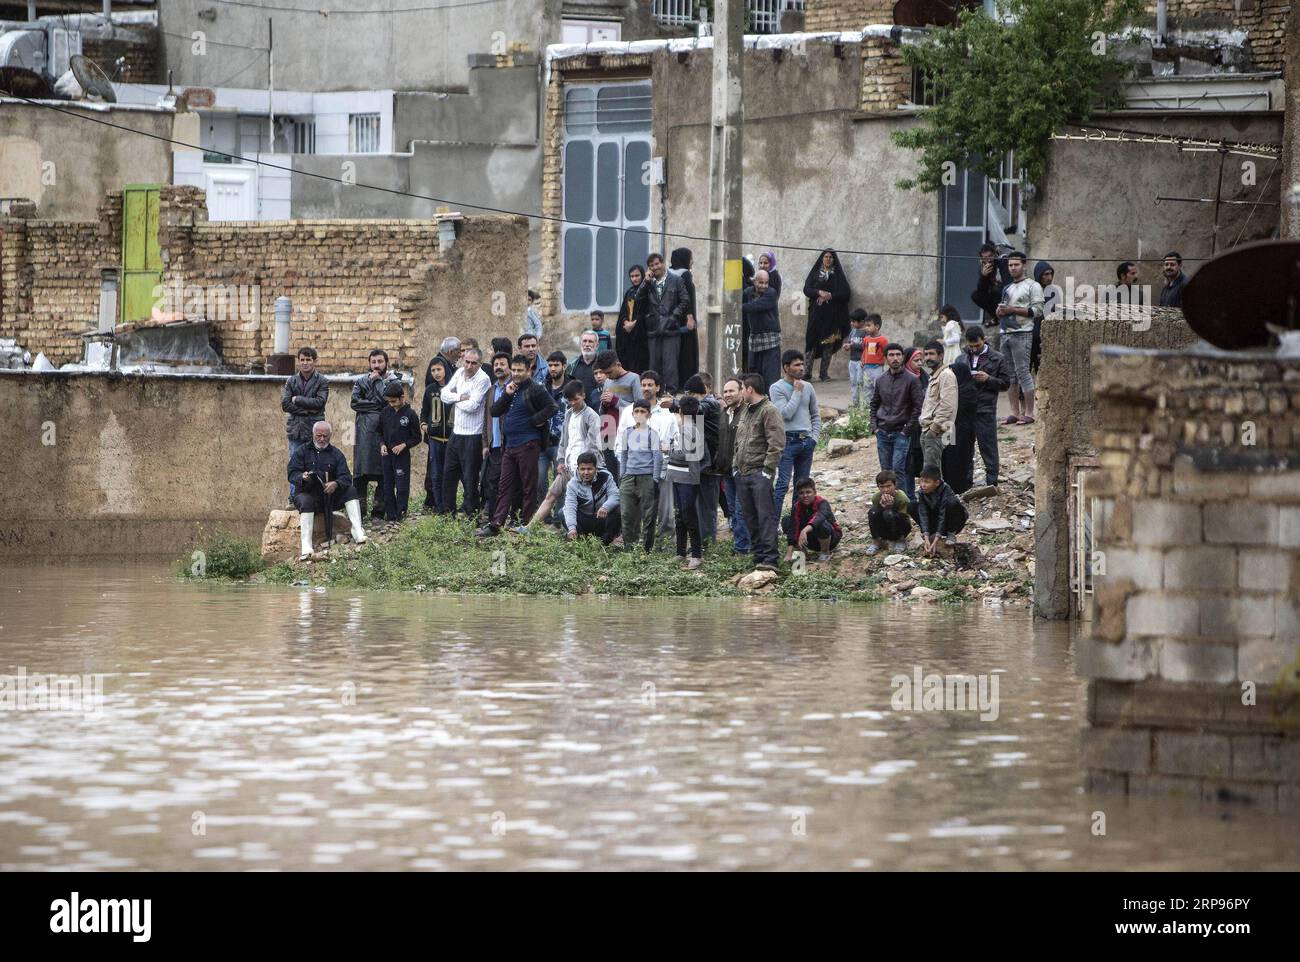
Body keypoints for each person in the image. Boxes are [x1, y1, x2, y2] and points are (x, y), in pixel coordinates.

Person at [479, 354, 560, 536]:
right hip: (510, 446)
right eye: (513, 370)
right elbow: (494, 411)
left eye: (519, 370)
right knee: (504, 485)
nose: (515, 373)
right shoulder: (512, 389)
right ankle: (496, 524)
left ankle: (526, 525)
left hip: (528, 445)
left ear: (528, 371)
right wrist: (507, 394)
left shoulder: (535, 389)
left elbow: (552, 407)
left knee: (528, 486)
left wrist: (535, 420)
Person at [289, 420, 367, 560]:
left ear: (330, 436)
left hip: (330, 497)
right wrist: (303, 476)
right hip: (308, 495)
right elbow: (292, 473)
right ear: (313, 434)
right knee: (305, 501)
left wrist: (336, 484)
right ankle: (306, 546)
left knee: (351, 491)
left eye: (325, 436)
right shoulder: (302, 451)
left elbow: (346, 477)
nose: (322, 439)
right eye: (319, 435)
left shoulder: (336, 454)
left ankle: (357, 531)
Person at [529, 379, 603, 528]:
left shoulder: (591, 416)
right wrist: (561, 460)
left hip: (583, 469)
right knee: (551, 495)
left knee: (578, 503)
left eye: (576, 399)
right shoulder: (569, 413)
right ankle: (529, 528)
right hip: (568, 465)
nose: (573, 403)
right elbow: (563, 440)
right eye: (570, 400)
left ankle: (574, 531)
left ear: (583, 395)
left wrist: (584, 469)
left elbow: (592, 446)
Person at [731, 373, 786, 572]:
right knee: (750, 518)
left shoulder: (769, 410)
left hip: (759, 474)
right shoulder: (745, 410)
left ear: (749, 389)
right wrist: (735, 468)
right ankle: (758, 557)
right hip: (743, 474)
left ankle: (771, 559)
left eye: (742, 388)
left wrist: (767, 471)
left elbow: (777, 443)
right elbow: (738, 442)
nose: (741, 392)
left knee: (765, 517)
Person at [616, 370, 676, 551]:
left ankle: (663, 546)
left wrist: (667, 453)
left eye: (650, 385)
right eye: (643, 384)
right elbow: (620, 443)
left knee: (664, 512)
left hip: (662, 469)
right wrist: (624, 472)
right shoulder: (627, 412)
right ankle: (633, 547)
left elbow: (675, 440)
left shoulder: (667, 414)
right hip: (633, 471)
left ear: (658, 387)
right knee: (631, 513)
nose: (646, 388)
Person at [439, 347, 491, 517]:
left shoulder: (483, 379)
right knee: (448, 475)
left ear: (480, 364)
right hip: (457, 433)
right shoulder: (460, 372)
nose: (469, 366)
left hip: (473, 435)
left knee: (469, 478)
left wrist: (455, 399)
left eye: (473, 363)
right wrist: (460, 397)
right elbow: (443, 394)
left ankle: (471, 513)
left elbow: (473, 406)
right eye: (467, 362)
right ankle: (448, 512)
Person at [351, 348, 402, 520]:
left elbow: (387, 401)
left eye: (380, 361)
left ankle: (379, 512)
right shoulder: (361, 381)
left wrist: (378, 382)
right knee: (360, 474)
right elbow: (355, 403)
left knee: (384, 473)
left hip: (386, 433)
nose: (376, 365)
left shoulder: (394, 382)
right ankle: (359, 512)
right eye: (373, 362)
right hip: (364, 434)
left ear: (386, 363)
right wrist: (377, 406)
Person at [869, 343, 924, 500]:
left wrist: (906, 430)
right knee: (885, 471)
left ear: (902, 357)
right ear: (885, 358)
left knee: (898, 469)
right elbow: (874, 404)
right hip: (883, 431)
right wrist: (875, 427)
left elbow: (917, 408)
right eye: (891, 355)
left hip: (901, 432)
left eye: (898, 355)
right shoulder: (880, 380)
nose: (895, 358)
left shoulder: (912, 380)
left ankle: (905, 504)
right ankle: (889, 502)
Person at [769, 350, 821, 512]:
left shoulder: (809, 387)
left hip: (807, 441)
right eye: (796, 365)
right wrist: (797, 392)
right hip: (787, 442)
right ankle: (773, 524)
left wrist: (814, 438)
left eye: (802, 364)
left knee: (802, 486)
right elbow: (785, 414)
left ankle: (795, 524)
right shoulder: (776, 388)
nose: (801, 368)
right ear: (786, 368)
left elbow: (815, 414)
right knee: (783, 484)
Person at [996, 251, 1043, 426]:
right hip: (1005, 333)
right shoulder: (1007, 287)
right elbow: (1001, 309)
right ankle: (1014, 412)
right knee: (1010, 375)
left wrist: (1012, 310)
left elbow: (1037, 310)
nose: (1012, 268)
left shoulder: (1033, 285)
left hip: (1023, 332)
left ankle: (1029, 413)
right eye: (1010, 265)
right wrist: (999, 311)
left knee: (1023, 372)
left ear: (1024, 264)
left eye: (1016, 264)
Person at [963, 325, 1009, 488]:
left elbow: (1005, 384)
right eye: (971, 346)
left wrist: (989, 379)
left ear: (984, 340)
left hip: (985, 409)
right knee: (964, 449)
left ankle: (992, 482)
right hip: (966, 409)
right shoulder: (962, 357)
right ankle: (965, 482)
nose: (974, 349)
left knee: (988, 447)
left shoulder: (998, 358)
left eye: (977, 345)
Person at [281, 346, 329, 504]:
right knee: (295, 465)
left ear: (314, 361)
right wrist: (307, 411)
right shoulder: (291, 381)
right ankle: (294, 499)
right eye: (302, 360)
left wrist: (299, 400)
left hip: (314, 431)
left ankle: (315, 498)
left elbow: (320, 403)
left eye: (308, 360)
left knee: (316, 464)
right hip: (295, 430)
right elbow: (285, 405)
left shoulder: (322, 381)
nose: (305, 363)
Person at [664, 394, 706, 568]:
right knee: (680, 515)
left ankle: (696, 554)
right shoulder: (687, 427)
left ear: (680, 410)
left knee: (688, 515)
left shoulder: (690, 429)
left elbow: (686, 454)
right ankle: (681, 552)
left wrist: (668, 449)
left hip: (687, 478)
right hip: (677, 475)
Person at [617, 398, 664, 550]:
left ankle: (646, 548)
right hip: (629, 477)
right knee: (627, 514)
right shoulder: (628, 432)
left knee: (649, 515)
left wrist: (655, 478)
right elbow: (623, 455)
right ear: (632, 414)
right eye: (636, 411)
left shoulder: (653, 433)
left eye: (643, 412)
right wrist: (623, 475)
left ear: (648, 415)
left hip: (647, 476)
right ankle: (629, 546)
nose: (639, 414)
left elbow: (657, 456)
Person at [682, 374, 721, 544]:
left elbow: (694, 409)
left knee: (708, 505)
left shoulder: (710, 403)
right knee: (696, 504)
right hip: (696, 461)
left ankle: (708, 542)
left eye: (691, 394)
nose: (689, 398)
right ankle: (700, 542)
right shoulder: (696, 404)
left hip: (710, 463)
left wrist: (676, 404)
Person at [803, 248, 852, 382]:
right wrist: (819, 292)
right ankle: (807, 373)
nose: (828, 259)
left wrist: (830, 295)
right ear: (822, 259)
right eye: (826, 257)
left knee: (828, 343)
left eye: (831, 257)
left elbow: (846, 293)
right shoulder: (815, 274)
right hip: (816, 314)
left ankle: (824, 373)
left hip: (832, 316)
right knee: (811, 341)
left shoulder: (838, 275)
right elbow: (807, 289)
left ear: (834, 259)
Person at [644, 252, 689, 393]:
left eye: (657, 264)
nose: (655, 267)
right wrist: (645, 282)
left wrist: (673, 317)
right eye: (651, 265)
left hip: (671, 329)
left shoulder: (676, 280)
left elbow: (685, 300)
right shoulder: (648, 283)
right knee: (654, 366)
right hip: (654, 330)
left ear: (662, 263)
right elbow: (638, 298)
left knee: (670, 366)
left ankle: (670, 396)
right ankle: (654, 395)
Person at [715, 376, 751, 555]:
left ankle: (743, 548)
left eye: (732, 391)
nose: (728, 394)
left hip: (743, 470)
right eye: (725, 391)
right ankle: (741, 544)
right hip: (726, 471)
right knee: (733, 510)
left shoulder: (748, 413)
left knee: (741, 509)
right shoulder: (723, 414)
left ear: (741, 392)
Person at [378, 380, 421, 522]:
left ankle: (401, 513)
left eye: (394, 401)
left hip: (401, 456)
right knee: (387, 485)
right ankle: (390, 515)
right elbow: (379, 433)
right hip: (387, 456)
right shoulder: (385, 412)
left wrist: (404, 445)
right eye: (389, 401)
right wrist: (382, 444)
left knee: (401, 485)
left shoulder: (410, 414)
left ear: (402, 398)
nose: (392, 404)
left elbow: (417, 438)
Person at [537, 351, 574, 520]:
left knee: (561, 482)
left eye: (556, 365)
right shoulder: (541, 386)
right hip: (542, 441)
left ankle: (560, 518)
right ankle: (543, 517)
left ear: (564, 366)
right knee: (540, 480)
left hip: (562, 442)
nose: (552, 369)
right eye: (550, 365)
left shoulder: (572, 387)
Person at [478, 351, 512, 523]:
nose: (499, 367)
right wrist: (485, 443)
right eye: (496, 365)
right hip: (494, 446)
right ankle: (493, 521)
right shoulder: (491, 390)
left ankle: (514, 520)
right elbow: (486, 419)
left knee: (511, 485)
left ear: (510, 366)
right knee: (491, 484)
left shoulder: (515, 387)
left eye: (502, 364)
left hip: (511, 445)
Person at [420, 357, 455, 513]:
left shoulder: (455, 388)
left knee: (451, 475)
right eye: (433, 370)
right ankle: (439, 507)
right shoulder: (430, 390)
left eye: (439, 369)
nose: (436, 373)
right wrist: (424, 426)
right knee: (436, 475)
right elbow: (424, 412)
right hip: (434, 440)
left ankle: (450, 507)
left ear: (445, 370)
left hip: (452, 440)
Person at [564, 451, 620, 545]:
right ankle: (581, 541)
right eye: (582, 469)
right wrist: (572, 528)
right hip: (584, 519)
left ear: (596, 468)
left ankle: (607, 541)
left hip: (602, 517)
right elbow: (570, 507)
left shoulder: (606, 476)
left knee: (619, 508)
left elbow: (615, 495)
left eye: (589, 469)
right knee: (563, 512)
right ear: (578, 469)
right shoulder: (572, 484)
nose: (586, 472)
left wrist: (605, 507)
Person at [918, 340, 958, 472]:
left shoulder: (946, 375)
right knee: (930, 470)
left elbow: (947, 405)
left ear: (941, 356)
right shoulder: (936, 375)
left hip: (937, 430)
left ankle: (938, 493)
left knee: (932, 472)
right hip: (928, 428)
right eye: (926, 354)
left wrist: (934, 428)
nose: (928, 357)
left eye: (931, 354)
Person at [782, 477, 841, 562]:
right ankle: (803, 553)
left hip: (831, 538)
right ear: (798, 495)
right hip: (811, 541)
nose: (805, 496)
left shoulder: (822, 503)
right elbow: (792, 528)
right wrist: (789, 554)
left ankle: (825, 552)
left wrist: (805, 530)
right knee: (787, 521)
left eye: (808, 492)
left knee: (821, 523)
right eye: (801, 493)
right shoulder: (797, 506)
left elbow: (820, 517)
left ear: (814, 492)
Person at [942, 359, 978, 495]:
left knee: (961, 458)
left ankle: (960, 487)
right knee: (947, 457)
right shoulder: (952, 389)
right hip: (949, 429)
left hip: (962, 431)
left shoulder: (968, 390)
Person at [742, 269, 782, 392]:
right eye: (761, 283)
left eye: (766, 283)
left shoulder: (771, 293)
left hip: (770, 338)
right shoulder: (748, 292)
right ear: (754, 282)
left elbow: (755, 306)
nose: (763, 286)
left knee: (770, 376)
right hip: (754, 338)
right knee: (754, 375)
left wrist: (740, 307)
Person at [915, 464, 969, 555]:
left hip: (950, 521)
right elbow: (923, 513)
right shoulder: (922, 492)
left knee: (952, 503)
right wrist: (926, 535)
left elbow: (942, 513)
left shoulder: (945, 490)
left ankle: (951, 533)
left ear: (937, 483)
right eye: (921, 481)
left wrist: (936, 539)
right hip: (935, 521)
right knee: (913, 506)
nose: (923, 485)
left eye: (927, 482)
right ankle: (931, 532)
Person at [671, 247, 700, 388]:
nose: (692, 261)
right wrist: (690, 317)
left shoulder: (668, 275)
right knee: (687, 355)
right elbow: (686, 297)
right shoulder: (685, 275)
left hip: (672, 322)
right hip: (684, 323)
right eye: (690, 258)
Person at [616, 264, 651, 377]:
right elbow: (623, 311)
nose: (634, 279)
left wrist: (634, 323)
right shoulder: (629, 292)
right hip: (628, 335)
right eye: (632, 276)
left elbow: (647, 311)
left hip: (641, 335)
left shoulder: (647, 291)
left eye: (637, 275)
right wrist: (625, 322)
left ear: (642, 276)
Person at [866, 470, 911, 555]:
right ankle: (876, 541)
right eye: (882, 487)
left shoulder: (901, 497)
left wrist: (891, 508)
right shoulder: (876, 498)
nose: (885, 490)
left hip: (900, 527)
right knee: (873, 512)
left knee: (889, 514)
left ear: (895, 485)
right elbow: (875, 517)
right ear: (878, 487)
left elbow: (905, 518)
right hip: (884, 528)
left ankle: (900, 540)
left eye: (889, 486)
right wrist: (881, 507)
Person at [971, 242, 1011, 326]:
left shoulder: (1001, 262)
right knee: (975, 295)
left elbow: (1008, 283)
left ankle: (1004, 316)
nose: (988, 260)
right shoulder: (983, 267)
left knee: (997, 290)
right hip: (994, 295)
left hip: (1006, 293)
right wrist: (984, 276)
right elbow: (981, 290)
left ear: (994, 255)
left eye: (990, 256)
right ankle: (996, 317)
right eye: (985, 258)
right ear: (981, 259)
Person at [1030, 262, 1055, 378]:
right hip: (1030, 337)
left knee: (1043, 374)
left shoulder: (1053, 293)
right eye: (1046, 274)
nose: (1049, 277)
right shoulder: (1031, 291)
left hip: (1045, 337)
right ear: (1039, 275)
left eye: (1050, 274)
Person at [844, 309, 869, 408]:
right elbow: (851, 342)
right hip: (852, 361)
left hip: (861, 361)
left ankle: (863, 404)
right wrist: (847, 346)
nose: (851, 323)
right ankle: (855, 403)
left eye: (854, 321)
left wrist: (852, 346)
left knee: (860, 382)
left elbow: (865, 346)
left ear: (862, 322)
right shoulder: (853, 331)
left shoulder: (866, 333)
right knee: (853, 382)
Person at [566, 330, 600, 395]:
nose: (587, 344)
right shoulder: (572, 366)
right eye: (584, 341)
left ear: (597, 345)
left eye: (590, 341)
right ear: (580, 344)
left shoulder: (602, 365)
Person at [861, 312, 888, 395]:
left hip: (877, 368)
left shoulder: (883, 340)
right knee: (867, 388)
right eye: (866, 325)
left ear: (876, 327)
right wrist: (862, 360)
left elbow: (886, 353)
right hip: (866, 368)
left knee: (878, 388)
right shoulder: (866, 339)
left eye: (869, 325)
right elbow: (864, 351)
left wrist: (886, 366)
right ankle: (868, 407)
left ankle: (878, 406)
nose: (866, 328)